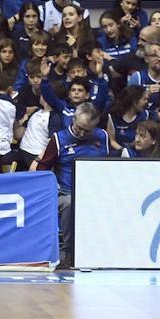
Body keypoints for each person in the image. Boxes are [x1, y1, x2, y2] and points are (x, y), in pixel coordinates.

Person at [34, 102, 108, 262]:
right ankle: (68, 253)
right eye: (78, 127)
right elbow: (43, 166)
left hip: (95, 192)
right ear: (73, 119)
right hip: (66, 192)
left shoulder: (102, 136)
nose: (81, 133)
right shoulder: (59, 139)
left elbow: (107, 166)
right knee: (69, 203)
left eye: (87, 131)